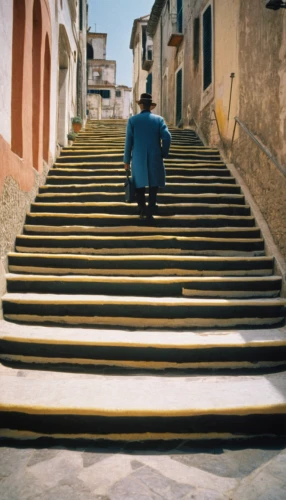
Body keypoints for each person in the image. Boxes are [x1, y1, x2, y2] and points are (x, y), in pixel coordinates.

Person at [123, 93, 171, 220]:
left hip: (138, 157)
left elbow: (128, 142)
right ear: (150, 106)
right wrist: (163, 152)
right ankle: (151, 207)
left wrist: (126, 161)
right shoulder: (159, 120)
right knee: (154, 183)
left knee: (139, 184)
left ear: (141, 105)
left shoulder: (132, 120)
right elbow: (167, 137)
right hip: (155, 156)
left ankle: (142, 208)